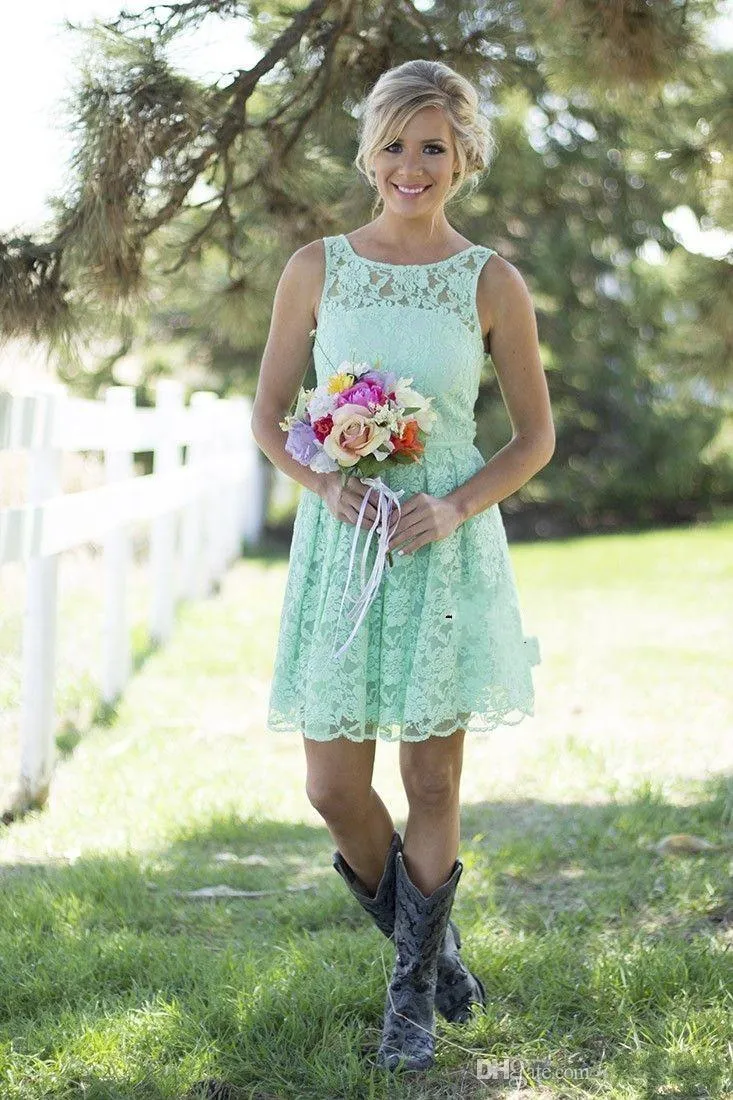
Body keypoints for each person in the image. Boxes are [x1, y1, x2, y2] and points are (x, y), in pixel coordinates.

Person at [251, 58, 555, 1073]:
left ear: (463, 154)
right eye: (394, 145)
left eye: (433, 146)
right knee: (334, 785)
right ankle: (438, 952)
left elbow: (531, 438)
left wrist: (453, 504)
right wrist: (327, 484)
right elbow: (269, 417)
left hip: (443, 545)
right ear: (368, 151)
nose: (411, 166)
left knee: (432, 776)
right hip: (343, 548)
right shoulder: (317, 266)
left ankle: (412, 998)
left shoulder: (491, 281)